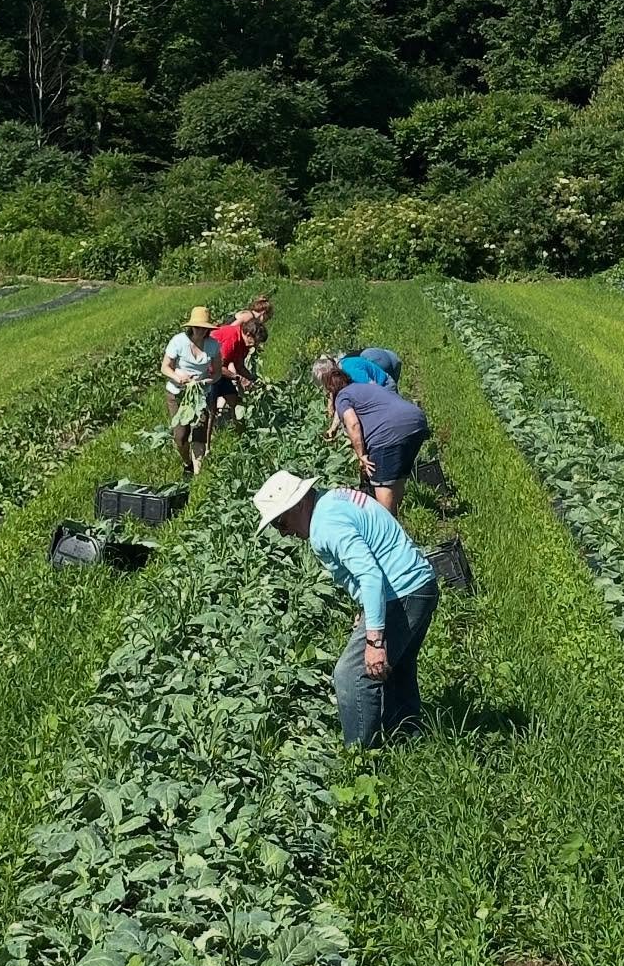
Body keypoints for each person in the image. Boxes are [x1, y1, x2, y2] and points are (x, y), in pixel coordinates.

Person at [254, 470, 439, 749]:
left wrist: (374, 639)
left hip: (402, 592)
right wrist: (369, 610)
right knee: (397, 668)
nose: (285, 532)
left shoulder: (326, 524)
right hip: (417, 585)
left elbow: (371, 575)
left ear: (300, 503)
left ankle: (360, 756)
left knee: (351, 674)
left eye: (281, 522)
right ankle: (408, 741)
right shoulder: (331, 500)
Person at [312, 358, 429, 513]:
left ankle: (388, 527)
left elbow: (353, 424)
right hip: (416, 423)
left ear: (329, 389)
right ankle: (397, 522)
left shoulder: (343, 397)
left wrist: (362, 455)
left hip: (388, 433)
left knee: (382, 486)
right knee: (397, 479)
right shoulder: (363, 387)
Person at [162, 307, 232, 472]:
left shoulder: (213, 345)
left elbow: (216, 371)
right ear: (191, 327)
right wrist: (178, 377)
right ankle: (187, 463)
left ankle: (198, 474)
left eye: (204, 328)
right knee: (180, 436)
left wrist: (207, 381)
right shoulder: (178, 341)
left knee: (200, 433)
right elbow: (165, 367)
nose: (200, 330)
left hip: (200, 395)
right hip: (178, 394)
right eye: (197, 327)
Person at [213, 315, 261, 391]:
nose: (256, 345)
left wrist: (253, 379)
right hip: (207, 368)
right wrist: (240, 378)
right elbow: (218, 367)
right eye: (256, 341)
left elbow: (239, 366)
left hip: (218, 371)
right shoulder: (232, 339)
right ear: (248, 335)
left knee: (233, 398)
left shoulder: (244, 344)